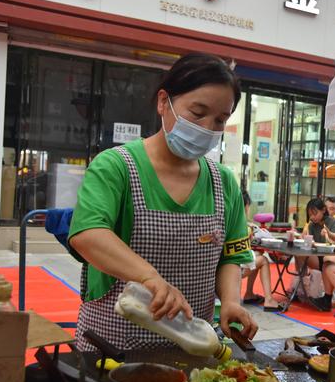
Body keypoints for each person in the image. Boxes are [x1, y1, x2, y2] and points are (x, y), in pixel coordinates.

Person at [68, 53, 258, 351]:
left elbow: (232, 256)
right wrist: (150, 278)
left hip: (192, 347)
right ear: (162, 102)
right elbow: (88, 234)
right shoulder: (116, 167)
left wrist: (231, 302)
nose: (208, 127)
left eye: (220, 119)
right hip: (113, 346)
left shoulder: (224, 183)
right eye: (197, 113)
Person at [241, 192, 283, 311]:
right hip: (234, 269)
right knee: (263, 260)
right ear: (246, 205)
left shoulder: (229, 218)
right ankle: (269, 300)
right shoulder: (242, 223)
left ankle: (249, 294)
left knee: (257, 255)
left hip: (225, 266)